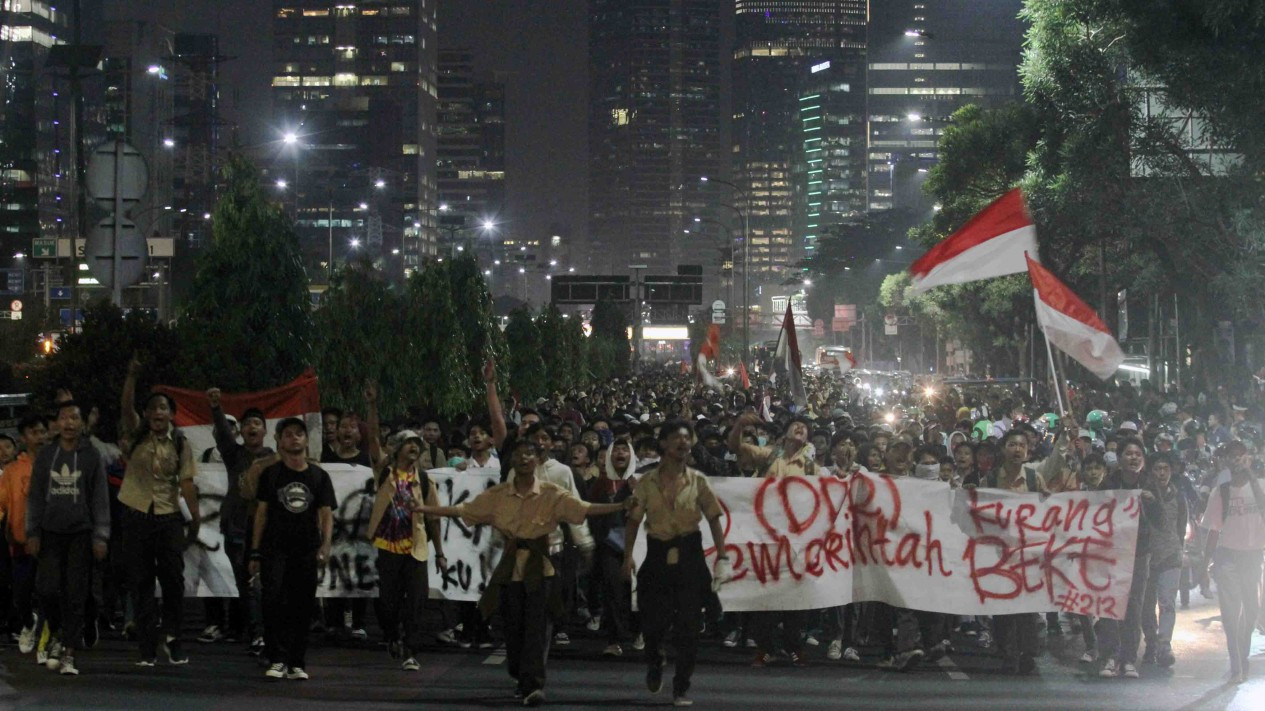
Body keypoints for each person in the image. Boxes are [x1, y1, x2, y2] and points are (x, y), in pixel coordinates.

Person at [415, 438, 627, 707]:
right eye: (519, 454)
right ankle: (519, 673)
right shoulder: (499, 495)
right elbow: (463, 510)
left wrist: (620, 506)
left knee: (538, 630)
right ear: (512, 461)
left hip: (542, 570)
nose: (525, 458)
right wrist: (425, 508)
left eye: (530, 454)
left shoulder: (552, 493)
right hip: (511, 570)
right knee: (514, 630)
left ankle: (534, 684)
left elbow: (584, 509)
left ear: (538, 460)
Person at [624, 420, 730, 707]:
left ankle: (681, 686)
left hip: (689, 556)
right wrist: (628, 557)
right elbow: (633, 522)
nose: (683, 443)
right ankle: (655, 659)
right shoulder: (647, 482)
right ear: (664, 444)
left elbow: (714, 519)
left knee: (689, 628)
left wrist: (722, 556)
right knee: (653, 622)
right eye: (676, 438)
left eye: (687, 438)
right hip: (657, 555)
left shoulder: (699, 481)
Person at [118, 354, 200, 667]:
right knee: (140, 583)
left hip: (167, 517)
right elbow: (127, 408)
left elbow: (188, 483)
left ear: (171, 414)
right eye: (152, 408)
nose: (157, 413)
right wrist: (131, 377)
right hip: (136, 513)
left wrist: (195, 520)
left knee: (173, 582)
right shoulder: (138, 434)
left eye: (163, 408)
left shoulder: (180, 444)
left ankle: (173, 638)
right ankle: (147, 649)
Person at [25, 401, 109, 676]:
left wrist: (101, 535)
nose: (69, 423)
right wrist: (32, 532)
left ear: (82, 423)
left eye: (75, 418)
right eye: (64, 418)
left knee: (76, 593)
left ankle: (69, 652)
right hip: (50, 532)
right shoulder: (47, 455)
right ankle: (59, 632)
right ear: (57, 424)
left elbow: (99, 497)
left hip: (81, 534)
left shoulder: (90, 455)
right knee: (47, 588)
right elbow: (35, 497)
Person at [248, 417, 336, 681]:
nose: (294, 438)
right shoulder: (270, 474)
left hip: (306, 548)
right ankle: (276, 658)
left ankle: (297, 661)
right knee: (273, 600)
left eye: (299, 434)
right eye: (288, 434)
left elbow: (326, 514)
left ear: (306, 440)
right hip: (275, 548)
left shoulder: (319, 476)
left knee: (302, 605)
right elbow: (261, 514)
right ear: (279, 440)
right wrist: (255, 551)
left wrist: (326, 545)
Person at [728, 414, 816, 668]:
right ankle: (767, 647)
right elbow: (736, 447)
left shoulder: (811, 466)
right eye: (795, 425)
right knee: (764, 593)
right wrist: (740, 424)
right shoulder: (769, 455)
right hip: (766, 535)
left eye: (804, 428)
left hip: (797, 539)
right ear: (785, 434)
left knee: (795, 596)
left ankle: (793, 645)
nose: (800, 428)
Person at [365, 430, 446, 672]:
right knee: (388, 602)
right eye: (409, 443)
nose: (414, 447)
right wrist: (371, 406)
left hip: (415, 549)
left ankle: (411, 650)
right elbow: (372, 441)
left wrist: (440, 553)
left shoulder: (423, 479)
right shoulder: (385, 473)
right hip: (388, 548)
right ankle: (392, 635)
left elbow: (433, 518)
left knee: (417, 600)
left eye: (416, 444)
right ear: (397, 448)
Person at [200, 388, 274, 648]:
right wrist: (216, 408)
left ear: (265, 431)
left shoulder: (274, 460)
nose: (252, 427)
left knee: (263, 586)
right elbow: (221, 434)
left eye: (257, 423)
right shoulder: (235, 455)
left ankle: (263, 631)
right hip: (236, 528)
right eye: (247, 424)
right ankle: (256, 634)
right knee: (245, 584)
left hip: (266, 532)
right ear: (241, 432)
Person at [1200, 440, 1265, 684]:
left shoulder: (1261, 486)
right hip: (1227, 558)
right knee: (1229, 613)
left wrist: (1252, 476)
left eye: (1240, 456)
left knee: (1251, 610)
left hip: (1253, 556)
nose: (1236, 460)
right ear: (1225, 460)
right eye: (1231, 456)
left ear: (1248, 457)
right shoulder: (1221, 491)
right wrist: (1204, 565)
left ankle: (1243, 653)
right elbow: (1213, 530)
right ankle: (1236, 664)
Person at [0, 414, 47, 652]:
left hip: (51, 540)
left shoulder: (55, 463)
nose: (39, 437)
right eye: (33, 433)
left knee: (50, 592)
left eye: (41, 432)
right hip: (20, 541)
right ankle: (29, 623)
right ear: (23, 438)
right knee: (22, 594)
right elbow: (2, 503)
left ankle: (52, 639)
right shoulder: (12, 471)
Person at [1140, 452, 1187, 668]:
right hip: (1147, 558)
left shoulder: (1178, 496)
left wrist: (1179, 550)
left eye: (1165, 469)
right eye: (1157, 469)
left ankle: (1164, 645)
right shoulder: (1143, 496)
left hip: (1171, 556)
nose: (1161, 473)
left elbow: (1181, 524)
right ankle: (1151, 641)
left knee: (1167, 604)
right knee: (1146, 607)